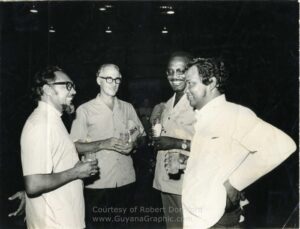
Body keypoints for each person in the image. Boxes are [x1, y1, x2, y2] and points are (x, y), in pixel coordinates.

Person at [175, 57, 296, 228]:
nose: (185, 90)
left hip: (216, 219)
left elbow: (283, 146)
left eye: (191, 83)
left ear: (211, 83)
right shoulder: (205, 117)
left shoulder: (234, 114)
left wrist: (235, 183)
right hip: (198, 218)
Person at [20, 66, 99, 229]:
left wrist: (77, 168)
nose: (74, 91)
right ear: (47, 89)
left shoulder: (54, 121)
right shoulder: (41, 124)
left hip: (65, 219)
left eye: (74, 86)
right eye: (67, 86)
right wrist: (76, 172)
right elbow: (33, 184)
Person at [70, 64, 145, 228]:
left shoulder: (128, 108)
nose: (114, 83)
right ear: (99, 80)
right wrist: (104, 144)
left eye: (117, 79)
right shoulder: (84, 110)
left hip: (126, 181)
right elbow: (74, 147)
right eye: (109, 79)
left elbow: (142, 137)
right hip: (98, 184)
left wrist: (134, 145)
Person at [151, 52, 196, 228]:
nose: (174, 76)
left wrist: (176, 143)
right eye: (170, 71)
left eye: (180, 70)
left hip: (186, 182)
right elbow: (161, 138)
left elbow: (211, 146)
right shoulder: (167, 104)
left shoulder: (197, 101)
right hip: (165, 180)